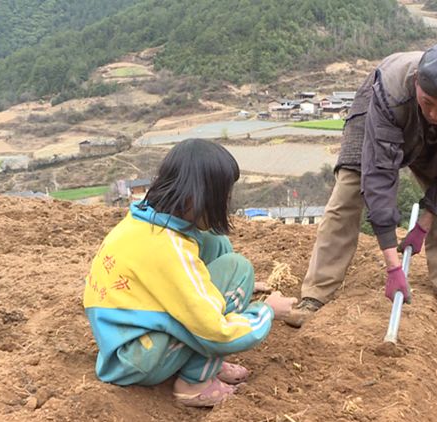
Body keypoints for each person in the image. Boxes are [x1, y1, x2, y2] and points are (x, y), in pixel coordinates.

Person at [286, 45, 437, 328]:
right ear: (417, 81)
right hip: (380, 112)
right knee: (346, 198)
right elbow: (379, 174)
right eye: (429, 102)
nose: (435, 113)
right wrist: (393, 265)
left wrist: (425, 222)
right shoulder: (391, 92)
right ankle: (317, 292)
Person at [83, 138, 296, 407]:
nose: (227, 203)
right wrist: (267, 311)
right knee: (238, 270)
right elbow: (216, 331)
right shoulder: (169, 248)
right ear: (197, 197)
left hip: (123, 343)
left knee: (215, 242)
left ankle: (202, 361)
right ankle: (195, 384)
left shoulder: (144, 221)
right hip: (137, 359)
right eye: (224, 196)